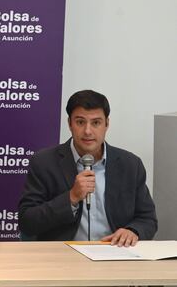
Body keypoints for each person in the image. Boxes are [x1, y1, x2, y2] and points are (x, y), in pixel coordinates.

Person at [19, 90, 157, 245]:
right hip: (63, 256)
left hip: (115, 252)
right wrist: (71, 197)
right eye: (80, 122)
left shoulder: (130, 164)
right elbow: (27, 221)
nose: (88, 131)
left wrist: (132, 231)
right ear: (69, 124)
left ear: (107, 124)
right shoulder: (44, 163)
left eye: (96, 123)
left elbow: (147, 218)